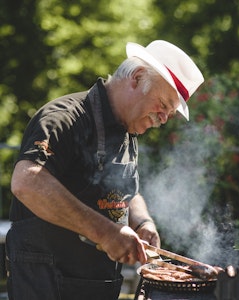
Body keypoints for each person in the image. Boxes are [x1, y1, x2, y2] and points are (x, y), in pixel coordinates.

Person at [6, 40, 204, 300]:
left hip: (96, 285)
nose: (164, 118)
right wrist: (105, 232)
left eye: (170, 112)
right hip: (46, 283)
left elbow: (128, 194)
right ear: (137, 77)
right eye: (164, 104)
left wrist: (143, 222)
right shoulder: (64, 118)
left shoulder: (127, 132)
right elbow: (27, 182)